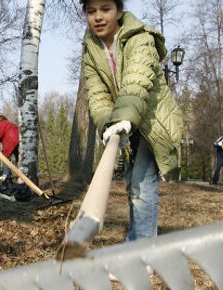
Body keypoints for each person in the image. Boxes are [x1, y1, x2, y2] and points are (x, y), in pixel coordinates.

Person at [80, 0, 184, 241]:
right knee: (133, 183)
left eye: (105, 9)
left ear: (119, 11)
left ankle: (141, 251)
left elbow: (136, 81)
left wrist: (124, 117)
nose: (98, 17)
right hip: (126, 122)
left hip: (154, 120)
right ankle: (137, 239)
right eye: (91, 11)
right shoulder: (91, 50)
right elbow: (97, 95)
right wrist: (109, 124)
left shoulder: (139, 38)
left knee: (142, 183)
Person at [0, 115, 20, 181]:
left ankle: (6, 174)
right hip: (19, 141)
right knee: (18, 157)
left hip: (9, 142)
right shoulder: (11, 124)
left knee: (5, 158)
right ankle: (23, 173)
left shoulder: (1, 124)